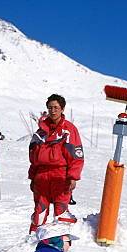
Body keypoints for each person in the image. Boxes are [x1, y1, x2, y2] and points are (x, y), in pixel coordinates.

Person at [28, 94, 84, 232]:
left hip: (60, 176)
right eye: (50, 108)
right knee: (39, 214)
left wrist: (73, 177)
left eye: (56, 108)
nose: (53, 111)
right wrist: (32, 177)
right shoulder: (40, 131)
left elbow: (76, 154)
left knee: (61, 213)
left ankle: (60, 245)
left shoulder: (69, 130)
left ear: (62, 109)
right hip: (41, 177)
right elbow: (33, 156)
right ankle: (31, 244)